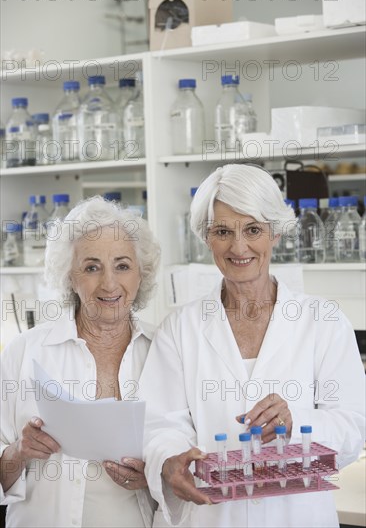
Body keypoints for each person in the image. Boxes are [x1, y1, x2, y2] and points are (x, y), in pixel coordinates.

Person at [139, 164, 365, 528]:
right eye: (223, 231)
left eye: (253, 229)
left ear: (275, 233)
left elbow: (354, 427)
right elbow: (159, 425)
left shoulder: (324, 322)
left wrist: (296, 424)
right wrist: (170, 459)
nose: (238, 246)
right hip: (212, 515)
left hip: (297, 517)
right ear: (206, 236)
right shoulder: (180, 328)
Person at [0, 196, 160, 528]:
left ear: (140, 274)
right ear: (69, 277)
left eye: (122, 265)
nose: (109, 283)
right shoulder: (25, 351)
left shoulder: (163, 351)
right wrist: (20, 450)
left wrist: (154, 476)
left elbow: (187, 460)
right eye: (91, 267)